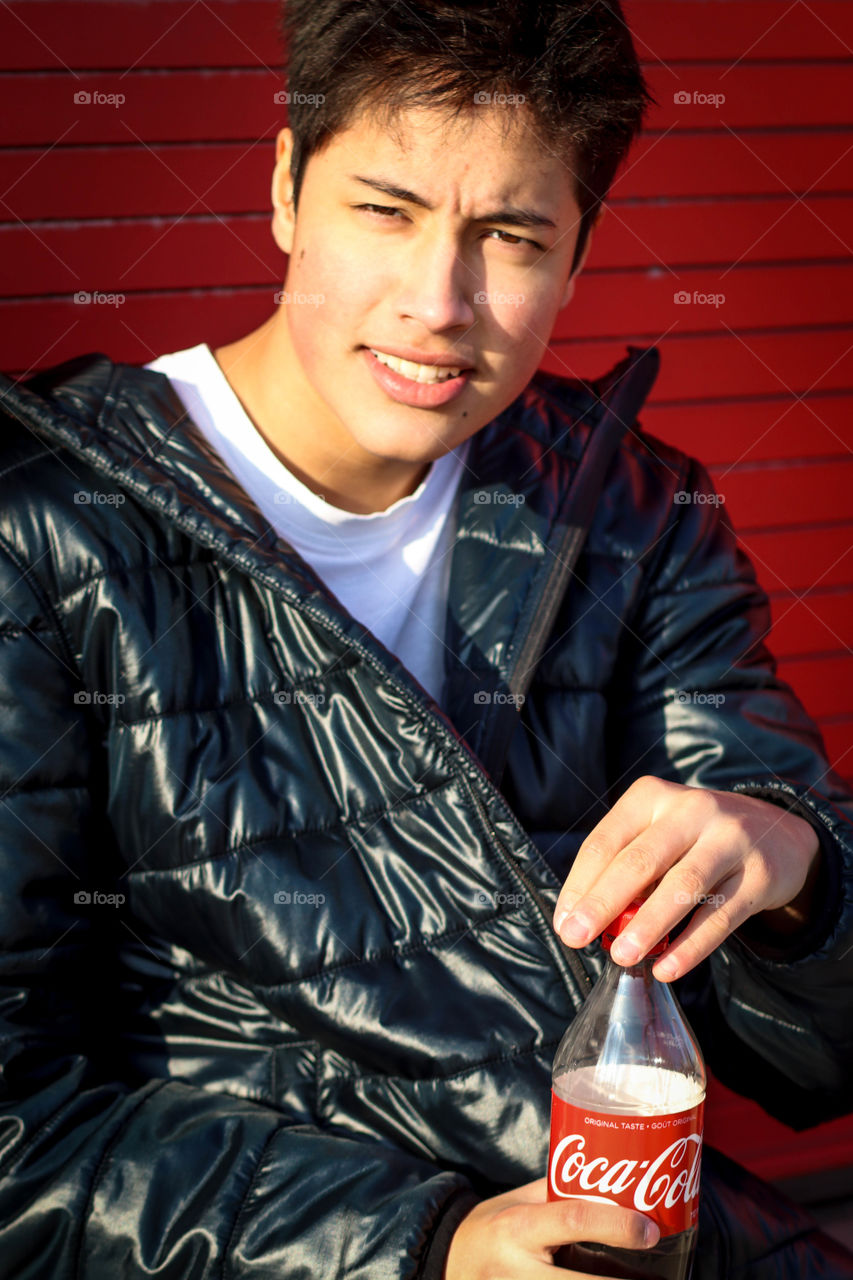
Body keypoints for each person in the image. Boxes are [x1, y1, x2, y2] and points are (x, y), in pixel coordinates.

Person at [0, 1, 851, 1276]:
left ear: (575, 255)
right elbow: (18, 1133)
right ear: (287, 189)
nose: (437, 302)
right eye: (382, 212)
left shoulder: (628, 506)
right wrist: (423, 1246)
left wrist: (796, 879)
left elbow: (806, 1045)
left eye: (508, 236)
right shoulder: (44, 535)